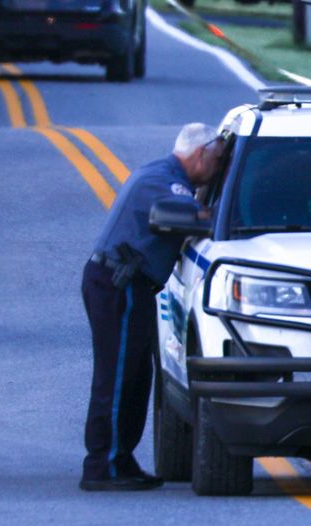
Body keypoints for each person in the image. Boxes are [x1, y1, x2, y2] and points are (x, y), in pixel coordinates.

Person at [81, 124, 226, 491]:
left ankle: (121, 459)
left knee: (135, 377)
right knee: (116, 377)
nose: (218, 169)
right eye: (218, 162)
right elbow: (201, 219)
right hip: (119, 284)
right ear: (200, 154)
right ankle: (102, 465)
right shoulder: (164, 182)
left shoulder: (162, 174)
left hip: (127, 284)